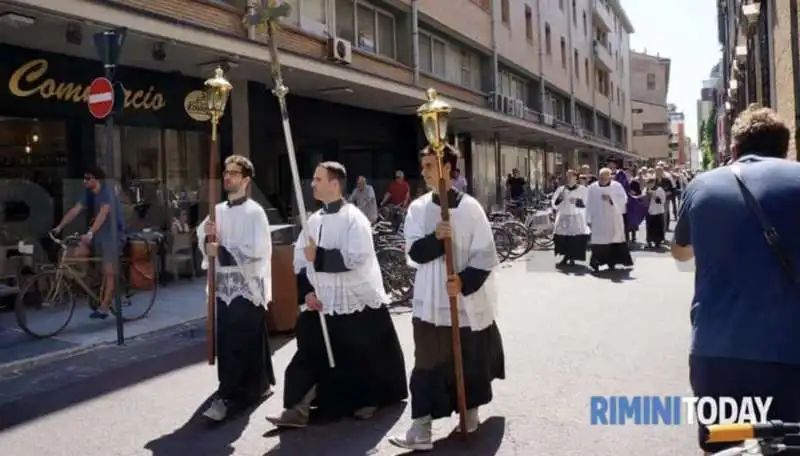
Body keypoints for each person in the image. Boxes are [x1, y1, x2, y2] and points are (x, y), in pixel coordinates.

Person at [671, 105, 800, 454]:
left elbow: (681, 252)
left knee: (728, 447)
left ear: (735, 149)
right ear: (785, 147)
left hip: (720, 353)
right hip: (792, 352)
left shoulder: (703, 186)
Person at [267, 161, 407, 428]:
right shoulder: (313, 220)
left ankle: (370, 399)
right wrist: (306, 293)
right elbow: (300, 263)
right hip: (321, 303)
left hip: (355, 300)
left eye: (318, 179)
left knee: (361, 354)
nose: (312, 184)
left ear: (335, 184)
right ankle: (298, 407)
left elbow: (355, 259)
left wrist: (318, 256)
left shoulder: (355, 219)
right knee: (307, 352)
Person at [389, 146, 505, 451]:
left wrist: (463, 281)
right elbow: (414, 252)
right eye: (423, 164)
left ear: (449, 167)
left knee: (467, 359)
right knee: (426, 362)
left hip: (463, 301)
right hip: (430, 303)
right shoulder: (417, 208)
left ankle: (469, 413)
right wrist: (436, 239)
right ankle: (421, 427)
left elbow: (485, 256)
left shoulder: (471, 208)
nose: (425, 170)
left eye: (430, 165)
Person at [196, 155, 275, 422]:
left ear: (246, 180)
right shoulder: (216, 210)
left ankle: (228, 396)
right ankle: (257, 384)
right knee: (230, 339)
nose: (227, 177)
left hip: (246, 286)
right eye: (226, 172)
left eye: (234, 173)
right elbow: (204, 242)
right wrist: (206, 234)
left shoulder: (255, 212)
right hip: (223, 286)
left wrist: (223, 251)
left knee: (238, 341)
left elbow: (259, 252)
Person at [53, 166, 126, 319]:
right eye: (84, 178)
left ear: (96, 180)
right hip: (98, 234)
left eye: (88, 178)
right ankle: (95, 281)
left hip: (113, 234)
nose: (84, 181)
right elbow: (75, 210)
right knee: (76, 254)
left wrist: (91, 232)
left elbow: (103, 214)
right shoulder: (89, 194)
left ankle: (105, 306)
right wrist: (60, 226)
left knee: (109, 271)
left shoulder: (107, 192)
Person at [586, 168, 633, 272]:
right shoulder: (592, 188)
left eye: (605, 177)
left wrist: (611, 199)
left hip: (613, 218)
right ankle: (596, 262)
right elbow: (588, 203)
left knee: (613, 241)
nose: (603, 179)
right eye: (601, 177)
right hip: (598, 219)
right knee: (599, 242)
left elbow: (623, 199)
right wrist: (588, 219)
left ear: (610, 177)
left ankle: (612, 262)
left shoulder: (617, 186)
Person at [551, 169, 590, 266]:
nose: (568, 178)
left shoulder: (583, 189)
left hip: (576, 216)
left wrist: (577, 201)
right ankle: (566, 256)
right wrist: (560, 200)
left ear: (576, 178)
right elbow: (554, 202)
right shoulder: (561, 189)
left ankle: (571, 257)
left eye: (570, 176)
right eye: (567, 176)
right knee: (564, 238)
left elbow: (587, 203)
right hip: (564, 216)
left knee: (575, 238)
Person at [643, 177, 666, 248]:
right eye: (647, 184)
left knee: (657, 227)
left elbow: (661, 201)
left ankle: (657, 242)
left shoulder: (659, 190)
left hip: (658, 211)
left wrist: (653, 195)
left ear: (653, 183)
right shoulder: (645, 189)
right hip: (649, 211)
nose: (648, 186)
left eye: (649, 184)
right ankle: (649, 241)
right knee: (649, 227)